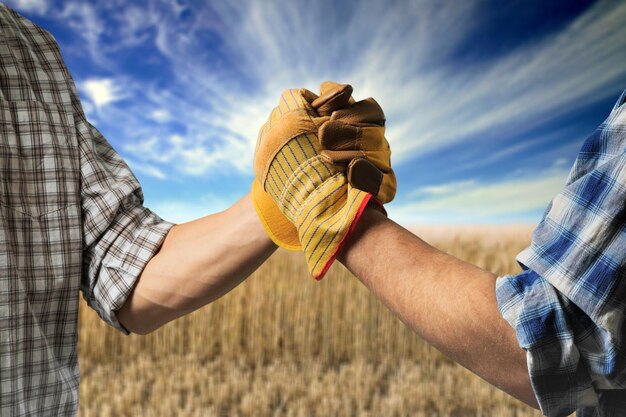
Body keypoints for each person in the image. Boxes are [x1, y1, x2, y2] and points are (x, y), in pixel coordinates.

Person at [1, 4, 624, 417]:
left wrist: (289, 197)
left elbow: (119, 261)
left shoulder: (32, 60)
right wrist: (322, 202)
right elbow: (565, 334)